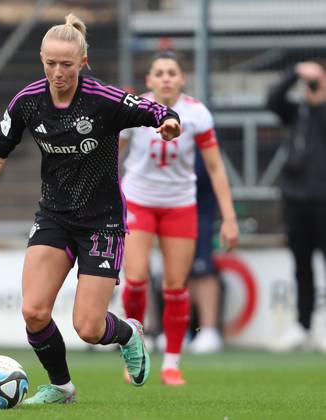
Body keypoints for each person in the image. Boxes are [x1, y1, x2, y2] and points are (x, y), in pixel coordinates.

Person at [0, 14, 181, 403]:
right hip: (55, 216)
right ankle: (62, 388)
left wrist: (169, 122)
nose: (57, 72)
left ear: (83, 62)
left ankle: (128, 334)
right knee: (33, 311)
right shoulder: (28, 101)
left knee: (89, 328)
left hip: (103, 223)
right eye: (50, 64)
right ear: (41, 60)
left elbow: (154, 110)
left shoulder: (102, 100)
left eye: (66, 64)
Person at [119, 50, 239, 386]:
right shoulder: (133, 108)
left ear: (182, 78)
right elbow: (112, 156)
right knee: (137, 277)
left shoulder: (197, 113)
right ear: (149, 80)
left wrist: (229, 217)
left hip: (180, 205)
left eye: (172, 72)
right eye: (159, 72)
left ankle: (172, 362)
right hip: (138, 201)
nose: (166, 78)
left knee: (175, 284)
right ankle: (135, 353)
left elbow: (215, 167)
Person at [266, 61, 326, 352]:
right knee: (302, 267)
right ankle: (303, 326)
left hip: (323, 199)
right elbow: (273, 99)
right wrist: (295, 72)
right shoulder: (297, 112)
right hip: (296, 200)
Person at [188, 149, 224, 354]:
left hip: (199, 207)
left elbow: (209, 169)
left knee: (203, 268)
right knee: (178, 271)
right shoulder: (153, 121)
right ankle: (179, 329)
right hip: (167, 206)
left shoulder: (198, 119)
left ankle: (208, 329)